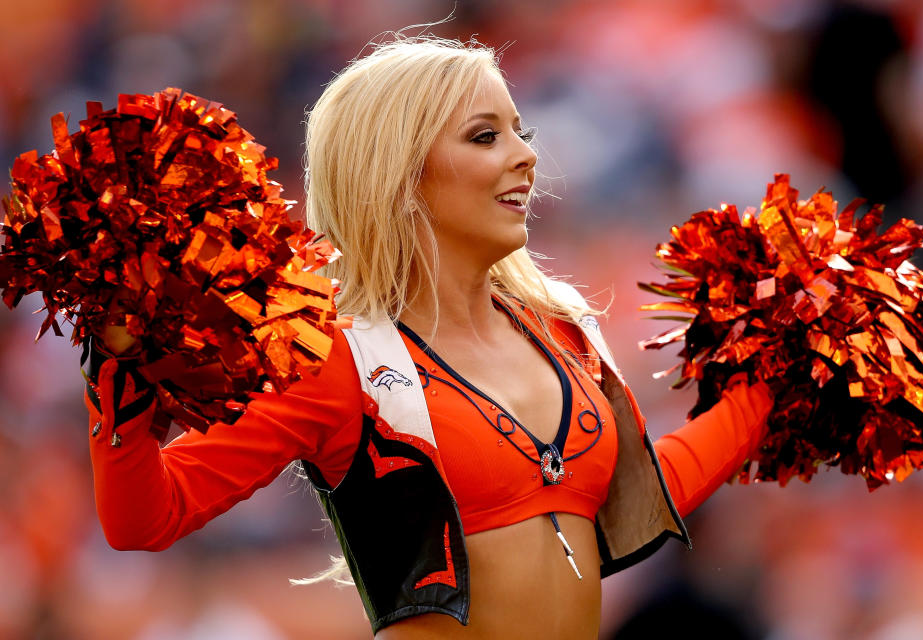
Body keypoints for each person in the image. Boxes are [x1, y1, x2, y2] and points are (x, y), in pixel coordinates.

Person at [84, 35, 773, 639]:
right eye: (485, 136)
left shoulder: (563, 328)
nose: (526, 157)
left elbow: (641, 486)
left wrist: (771, 376)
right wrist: (119, 366)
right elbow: (147, 518)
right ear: (399, 172)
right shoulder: (336, 358)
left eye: (519, 131)